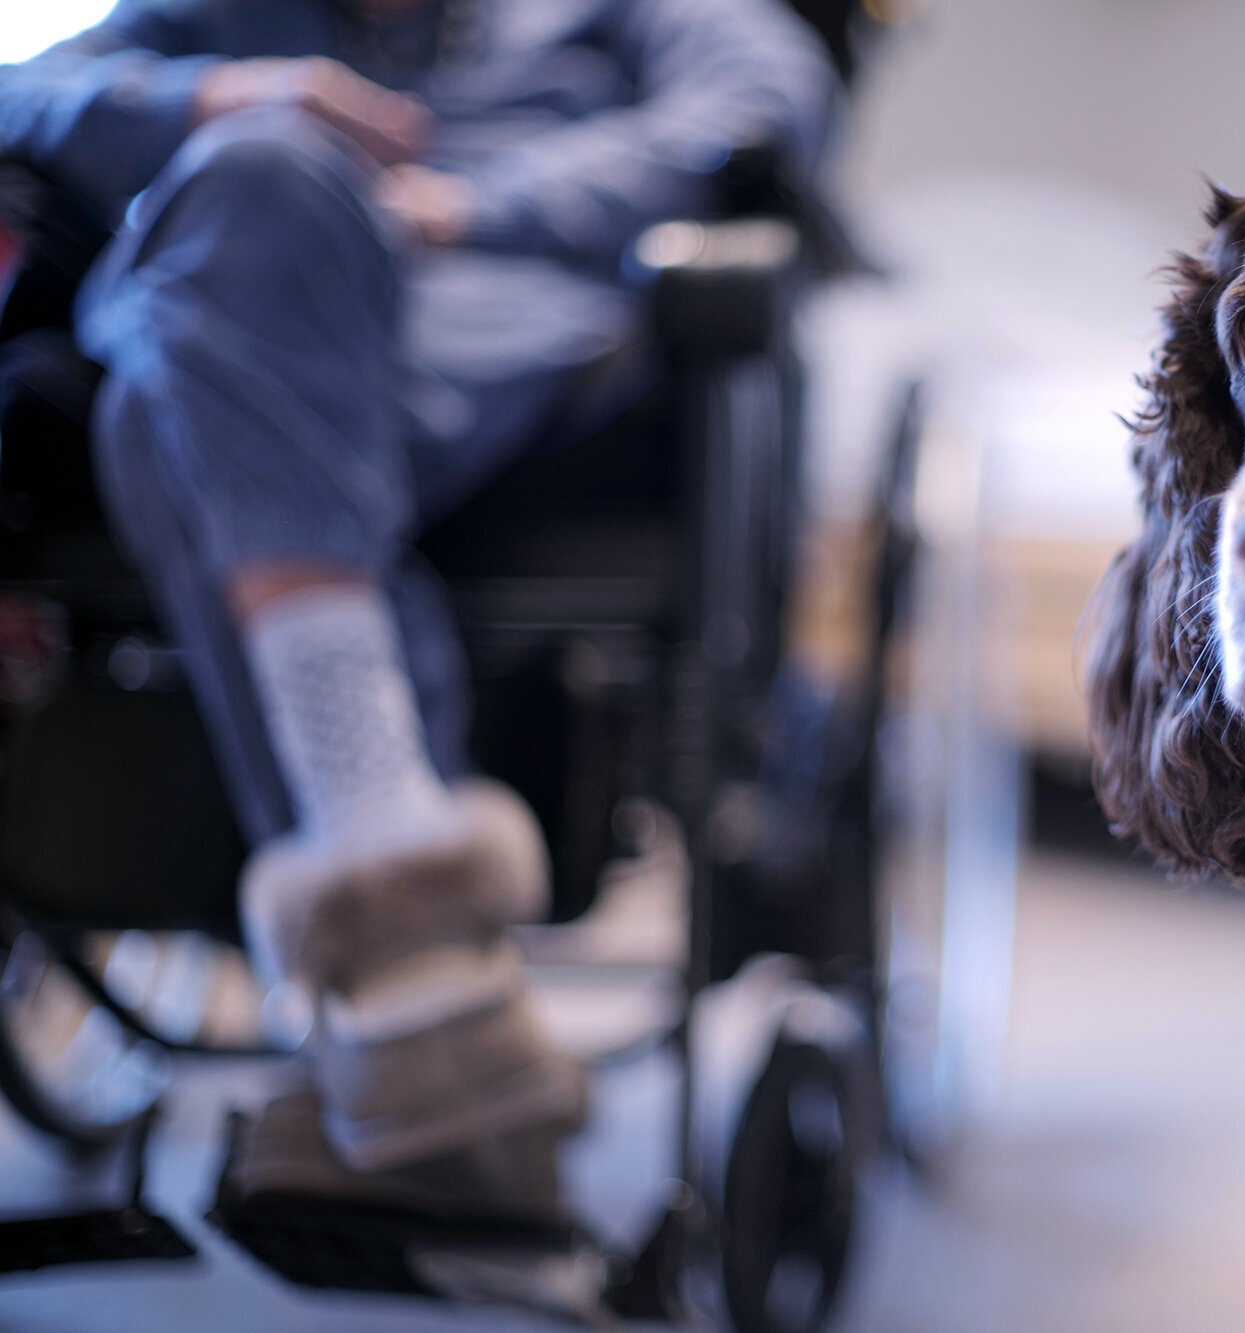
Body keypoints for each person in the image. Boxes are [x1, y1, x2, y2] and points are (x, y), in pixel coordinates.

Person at [0, 0, 833, 1196]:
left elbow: (763, 105)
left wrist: (481, 201)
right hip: (247, 287)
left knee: (169, 399)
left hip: (484, 304)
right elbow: (18, 94)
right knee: (256, 184)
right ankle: (413, 989)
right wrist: (215, 96)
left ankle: (369, 1009)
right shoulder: (216, 19)